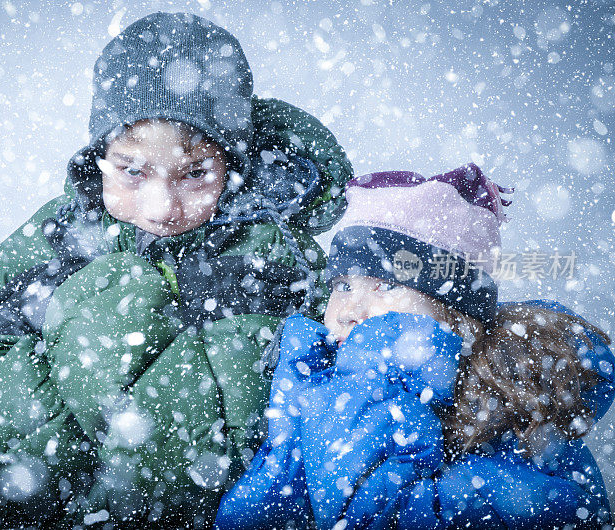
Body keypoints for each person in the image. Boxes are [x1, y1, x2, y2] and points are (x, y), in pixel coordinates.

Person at [0, 11, 354, 530]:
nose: (161, 205)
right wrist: (99, 342)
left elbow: (316, 427)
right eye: (132, 170)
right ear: (101, 156)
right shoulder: (59, 237)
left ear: (232, 164)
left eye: (195, 172)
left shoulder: (280, 261)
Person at [215, 164, 615, 529]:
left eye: (387, 286)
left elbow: (377, 514)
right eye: (343, 285)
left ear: (455, 314)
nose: (350, 310)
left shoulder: (508, 414)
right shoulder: (313, 382)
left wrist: (370, 383)